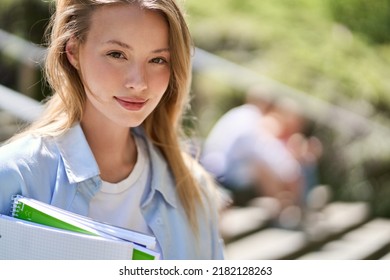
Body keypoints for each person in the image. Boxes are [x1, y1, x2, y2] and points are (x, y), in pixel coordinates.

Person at [0, 0, 225, 260]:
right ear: (73, 50)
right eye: (116, 54)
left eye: (158, 59)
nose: (139, 83)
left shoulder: (192, 189)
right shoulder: (14, 176)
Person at [200, 86, 304, 211]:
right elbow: (268, 154)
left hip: (216, 167)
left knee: (264, 166)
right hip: (222, 174)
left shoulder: (239, 114)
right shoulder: (251, 120)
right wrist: (291, 170)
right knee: (261, 167)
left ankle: (285, 206)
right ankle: (283, 208)